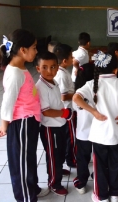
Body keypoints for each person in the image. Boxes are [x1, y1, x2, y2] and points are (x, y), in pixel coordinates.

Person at [73, 51, 118, 202]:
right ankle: (115, 194)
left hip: (99, 136)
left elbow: (76, 98)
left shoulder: (91, 84)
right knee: (115, 165)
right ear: (115, 70)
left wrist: (94, 112)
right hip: (117, 135)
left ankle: (101, 196)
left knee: (99, 167)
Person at [0, 29, 49, 202]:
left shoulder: (21, 68)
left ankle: (32, 187)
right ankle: (25, 197)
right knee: (21, 162)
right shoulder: (14, 73)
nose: (36, 51)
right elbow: (7, 101)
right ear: (22, 50)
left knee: (29, 157)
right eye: (34, 47)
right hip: (21, 123)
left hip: (30, 121)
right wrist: (4, 124)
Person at [35, 51, 73, 196]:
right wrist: (64, 113)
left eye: (52, 67)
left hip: (59, 125)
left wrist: (63, 114)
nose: (49, 71)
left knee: (60, 152)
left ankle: (57, 169)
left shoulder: (53, 82)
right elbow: (46, 111)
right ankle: (54, 183)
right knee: (53, 156)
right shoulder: (40, 87)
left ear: (58, 67)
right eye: (44, 67)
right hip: (50, 128)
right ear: (38, 69)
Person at [72, 62, 95, 194]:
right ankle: (97, 176)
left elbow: (75, 109)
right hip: (98, 133)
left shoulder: (78, 93)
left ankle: (81, 183)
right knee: (98, 157)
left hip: (83, 133)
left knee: (82, 158)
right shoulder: (96, 90)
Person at [53, 43, 77, 168]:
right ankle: (71, 159)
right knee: (71, 136)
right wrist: (77, 95)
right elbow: (63, 96)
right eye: (71, 57)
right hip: (68, 109)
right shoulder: (61, 75)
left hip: (68, 108)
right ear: (64, 60)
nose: (73, 59)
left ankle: (70, 157)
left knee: (68, 136)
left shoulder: (62, 71)